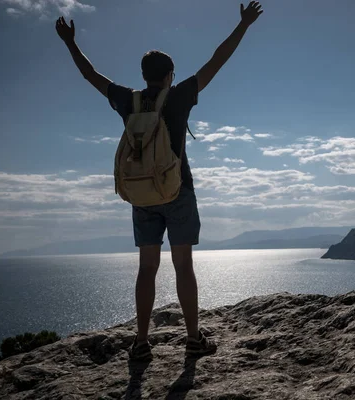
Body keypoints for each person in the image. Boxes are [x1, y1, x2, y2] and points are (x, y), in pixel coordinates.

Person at [56, 2, 264, 361]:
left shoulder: (129, 101)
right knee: (183, 265)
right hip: (178, 190)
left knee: (146, 268)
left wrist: (70, 42)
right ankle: (194, 339)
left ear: (144, 75)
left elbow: (91, 75)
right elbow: (217, 59)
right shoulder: (179, 96)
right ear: (169, 75)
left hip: (142, 195)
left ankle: (140, 343)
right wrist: (243, 24)